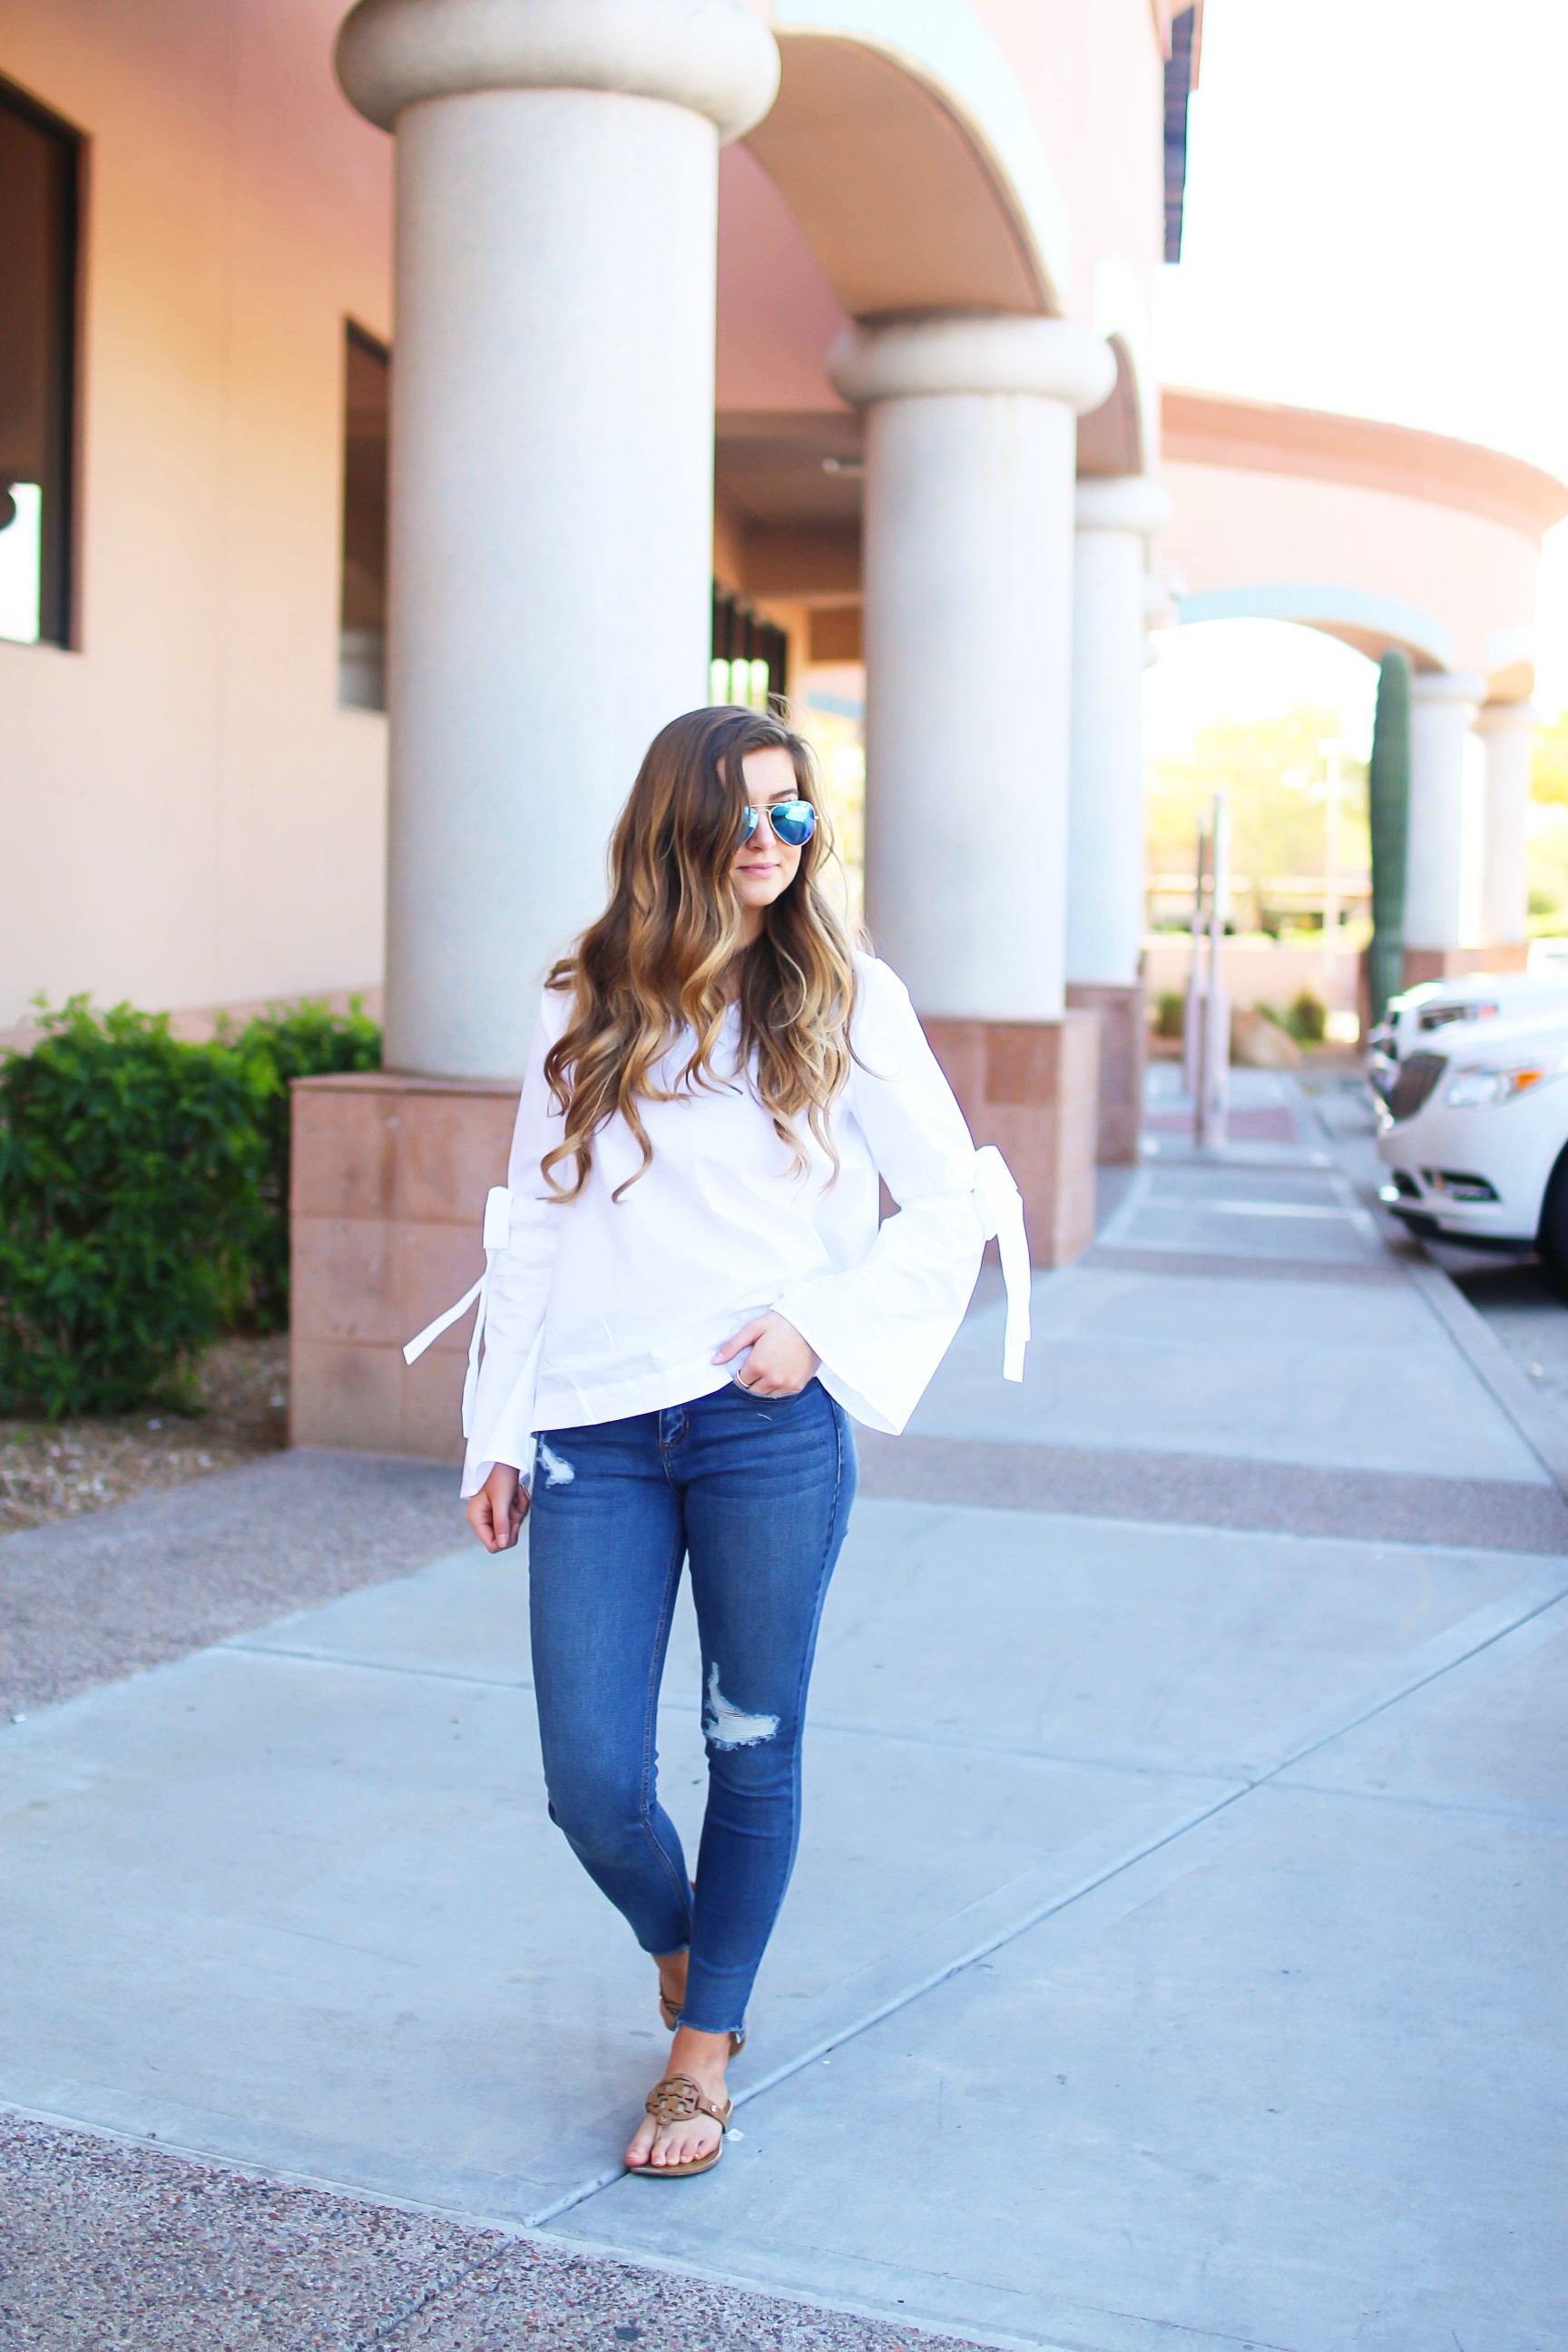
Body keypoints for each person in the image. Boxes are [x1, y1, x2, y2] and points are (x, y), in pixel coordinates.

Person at [406, 704, 1029, 2179]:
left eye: (795, 812)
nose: (773, 838)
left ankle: (701, 2054)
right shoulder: (588, 997)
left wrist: (819, 1327)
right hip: (595, 1435)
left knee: (749, 1745)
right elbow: (537, 1223)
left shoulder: (847, 997)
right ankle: (694, 1955)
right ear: (678, 825)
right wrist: (495, 1432)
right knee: (593, 1781)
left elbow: (953, 1200)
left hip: (766, 1425)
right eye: (747, 812)